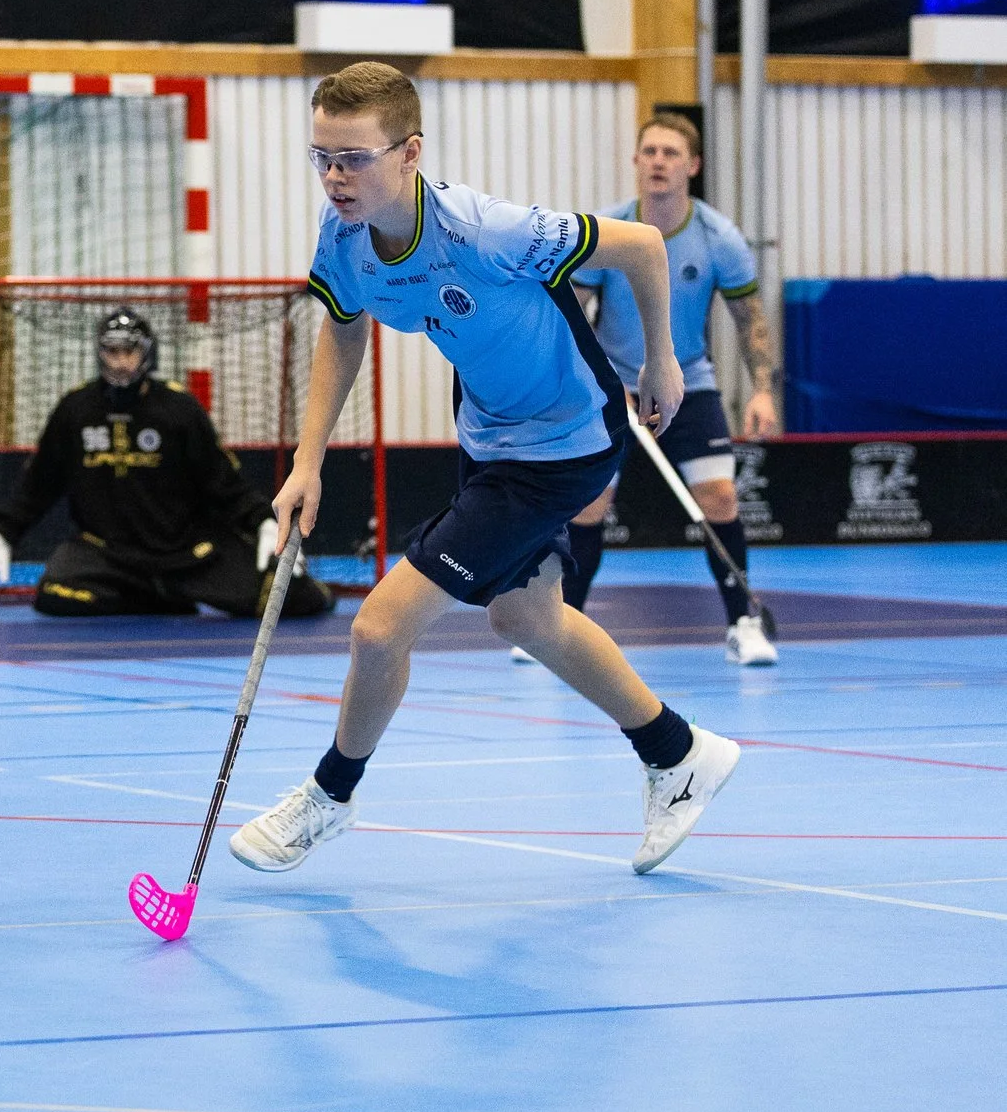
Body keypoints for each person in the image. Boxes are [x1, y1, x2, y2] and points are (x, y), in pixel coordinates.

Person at [231, 62, 739, 880]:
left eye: (353, 157)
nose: (334, 176)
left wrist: (660, 361)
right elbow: (343, 325)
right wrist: (307, 460)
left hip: (566, 442)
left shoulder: (489, 228)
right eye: (321, 156)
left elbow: (642, 245)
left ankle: (330, 796)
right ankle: (678, 753)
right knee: (526, 619)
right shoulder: (344, 236)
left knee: (377, 626)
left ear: (409, 152)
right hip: (491, 439)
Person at [552, 112, 780, 666]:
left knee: (720, 497)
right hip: (611, 385)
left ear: (692, 166)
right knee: (588, 505)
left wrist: (763, 390)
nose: (658, 161)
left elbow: (750, 319)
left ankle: (744, 623)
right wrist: (602, 382)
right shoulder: (609, 230)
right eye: (649, 151)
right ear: (636, 162)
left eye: (671, 153)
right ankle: (562, 631)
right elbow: (574, 317)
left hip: (688, 382)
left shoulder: (718, 238)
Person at [0, 308, 333, 620]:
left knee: (296, 599)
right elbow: (39, 483)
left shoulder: (179, 409)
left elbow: (223, 482)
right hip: (108, 556)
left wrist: (264, 524)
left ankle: (170, 589)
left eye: (130, 351)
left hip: (188, 555)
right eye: (112, 352)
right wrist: (3, 535)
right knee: (55, 594)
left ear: (147, 354)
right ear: (100, 354)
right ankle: (160, 597)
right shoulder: (75, 409)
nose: (122, 361)